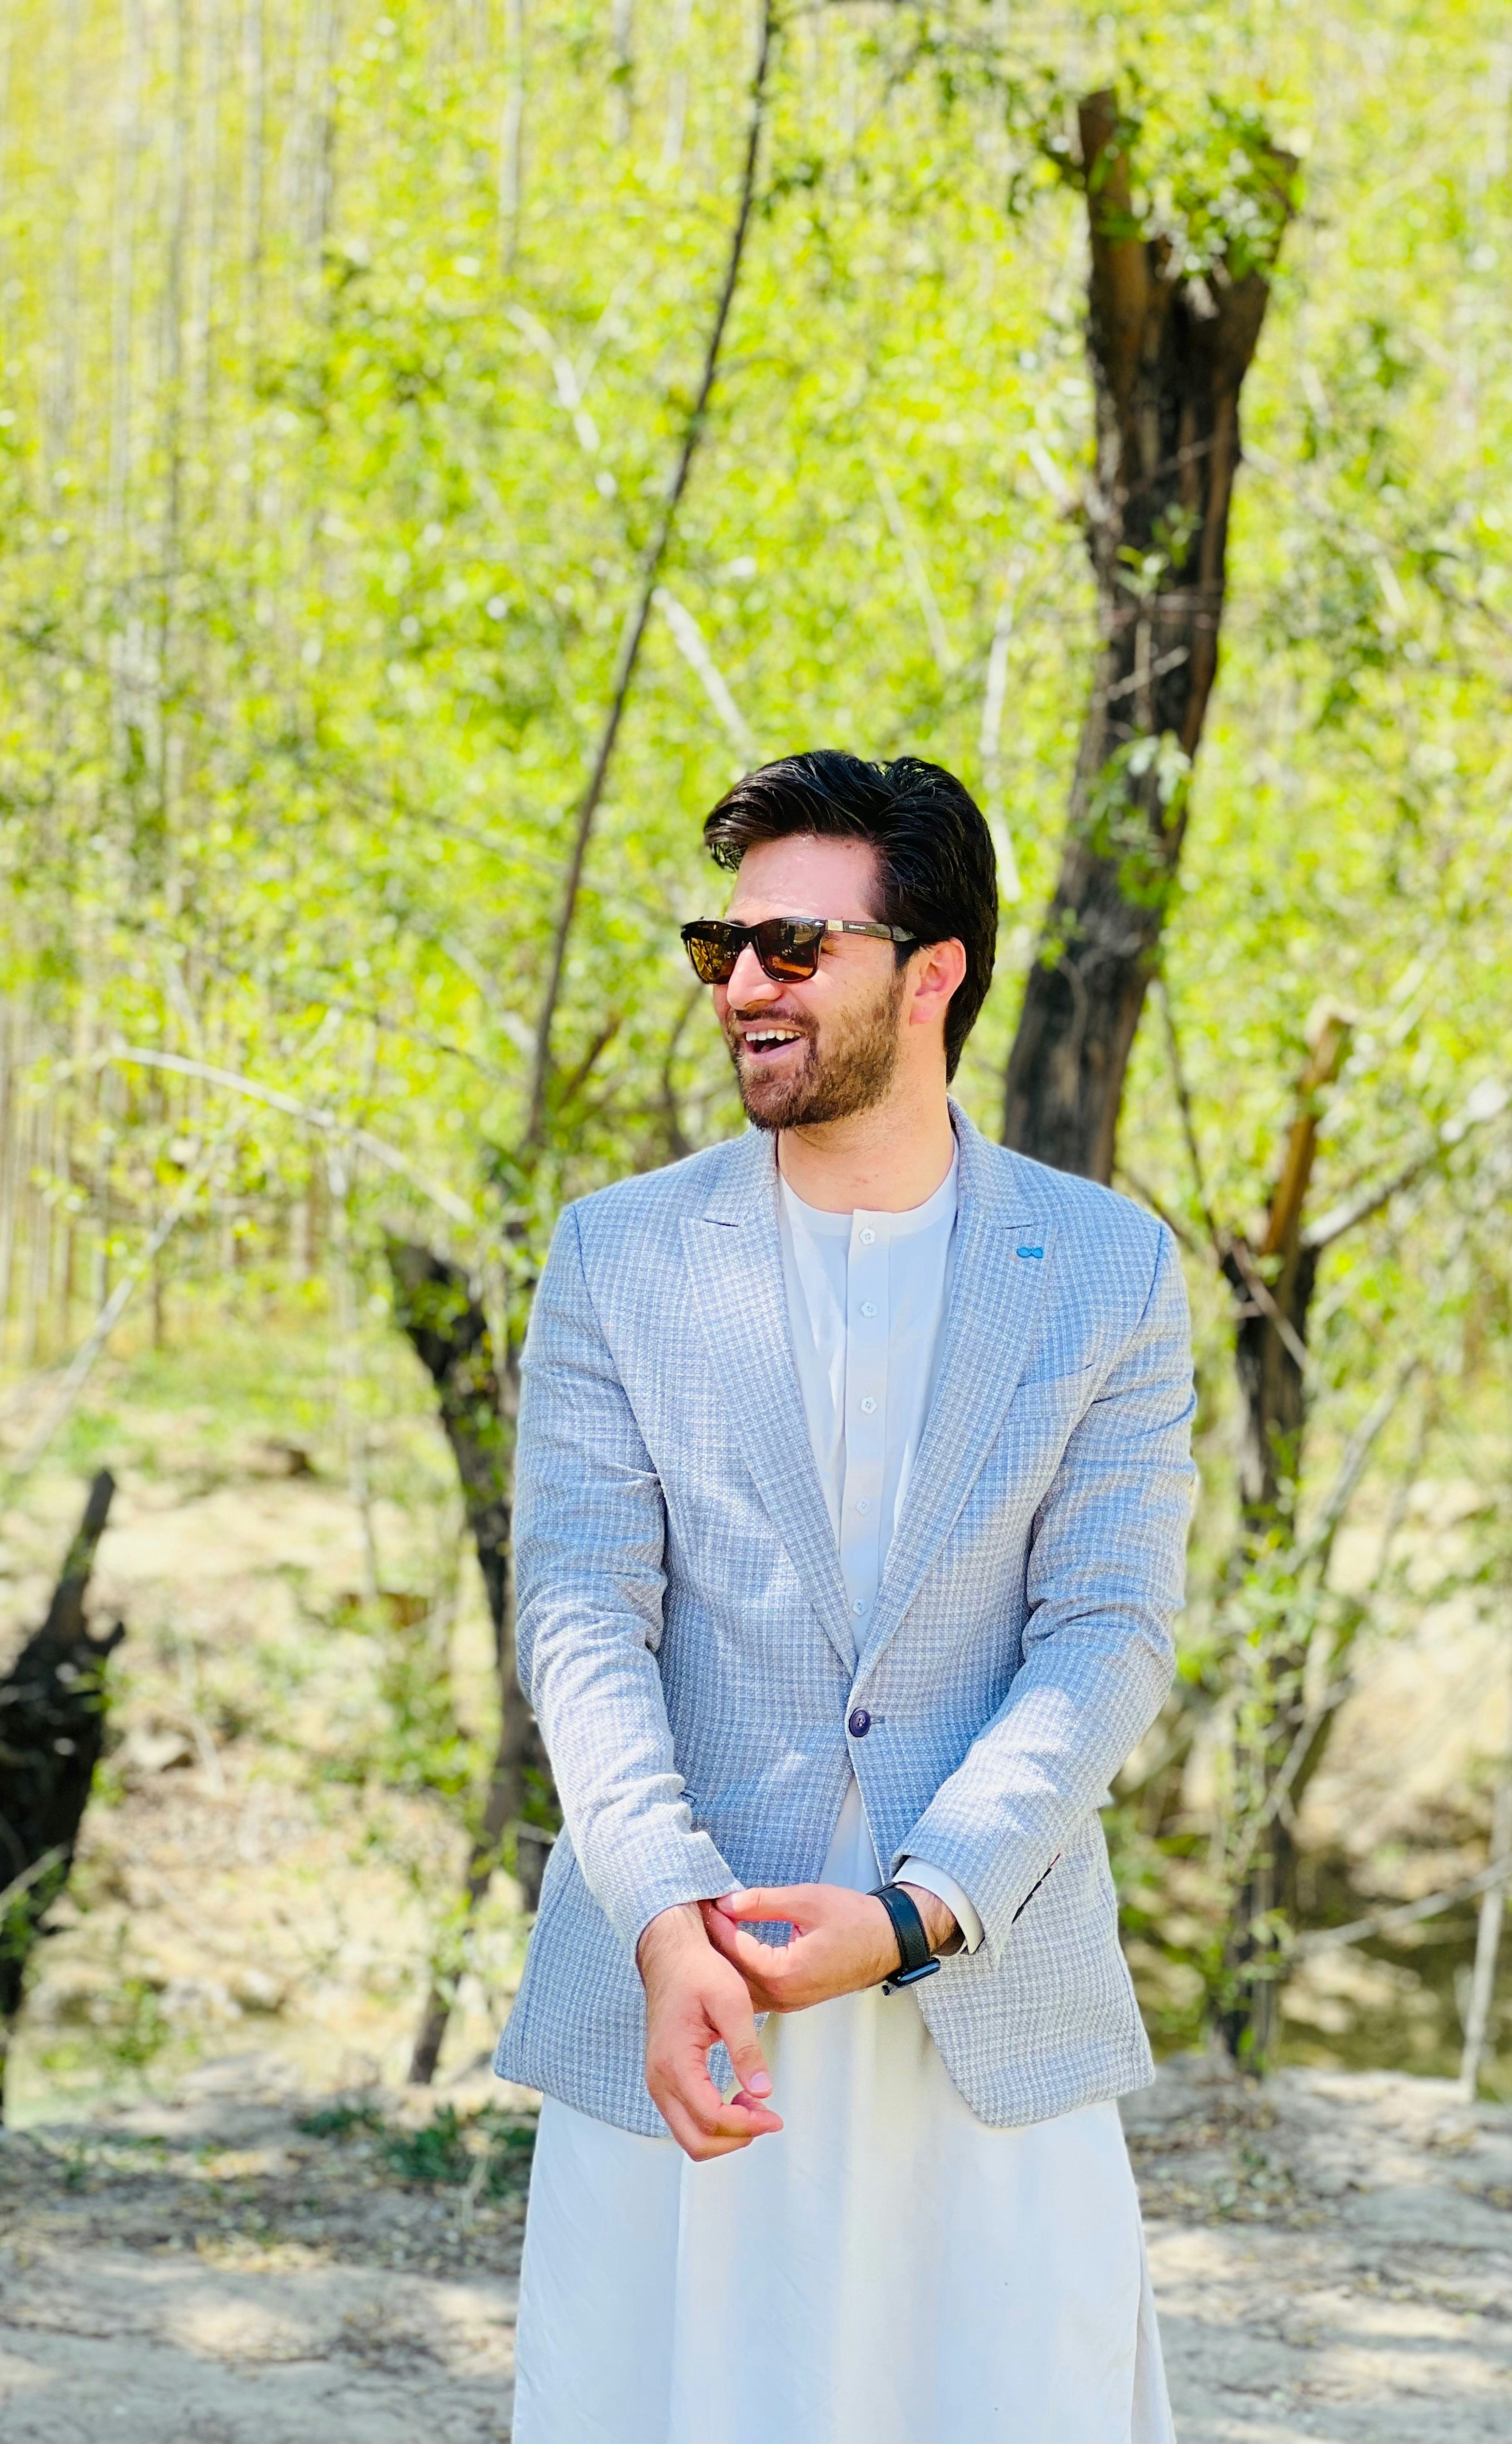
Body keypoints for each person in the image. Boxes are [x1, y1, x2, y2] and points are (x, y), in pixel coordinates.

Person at [500, 750, 1196, 2444]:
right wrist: (664, 1912)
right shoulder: (616, 1253)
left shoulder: (1109, 1266)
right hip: (683, 1999)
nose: (743, 984)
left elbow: (1107, 1634)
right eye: (722, 946)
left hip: (983, 1989)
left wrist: (919, 1908)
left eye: (794, 947)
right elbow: (581, 1618)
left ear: (933, 971)